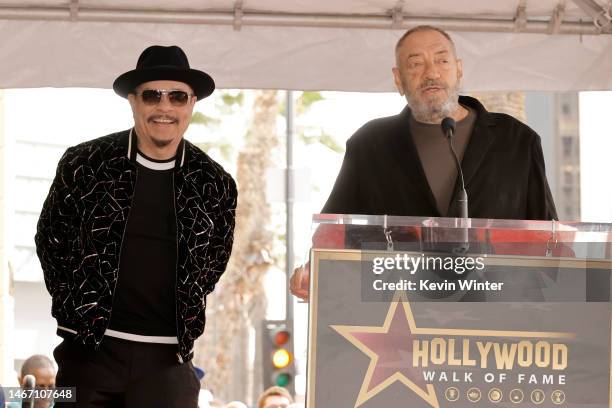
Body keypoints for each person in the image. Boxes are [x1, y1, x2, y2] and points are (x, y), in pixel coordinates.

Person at [290, 25, 558, 300]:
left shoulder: (516, 141)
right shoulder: (370, 144)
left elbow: (548, 242)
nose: (431, 73)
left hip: (498, 324)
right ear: (398, 79)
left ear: (459, 69)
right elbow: (335, 235)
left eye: (442, 61)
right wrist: (313, 272)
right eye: (416, 64)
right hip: (400, 322)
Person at [35, 45, 237, 407]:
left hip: (168, 363)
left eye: (177, 96)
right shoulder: (85, 164)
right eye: (152, 95)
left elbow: (214, 263)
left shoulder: (214, 183)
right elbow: (51, 239)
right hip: (89, 355)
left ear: (191, 104)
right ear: (133, 101)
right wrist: (77, 312)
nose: (165, 107)